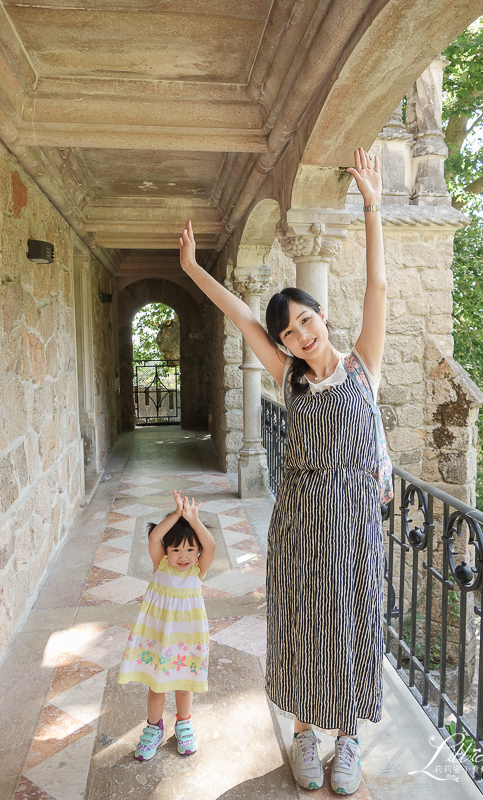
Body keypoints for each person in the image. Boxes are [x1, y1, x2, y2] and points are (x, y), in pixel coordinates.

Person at [178, 147, 386, 795]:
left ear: (320, 317)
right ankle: (303, 733)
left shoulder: (360, 367)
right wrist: (190, 269)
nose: (300, 334)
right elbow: (241, 317)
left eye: (305, 320)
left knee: (351, 618)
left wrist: (373, 206)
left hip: (353, 519)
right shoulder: (288, 379)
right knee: (300, 620)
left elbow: (378, 287)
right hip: (299, 517)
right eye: (290, 331)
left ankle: (346, 740)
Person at [118, 491, 216, 761]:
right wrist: (176, 515)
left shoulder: (198, 571)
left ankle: (184, 723)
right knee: (156, 687)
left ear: (198, 553)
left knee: (184, 685)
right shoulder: (160, 564)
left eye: (189, 549)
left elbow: (211, 545)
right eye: (176, 549)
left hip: (186, 638)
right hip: (158, 637)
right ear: (167, 551)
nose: (183, 556)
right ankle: (153, 728)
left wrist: (193, 520)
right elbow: (153, 537)